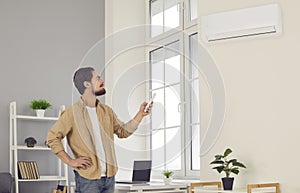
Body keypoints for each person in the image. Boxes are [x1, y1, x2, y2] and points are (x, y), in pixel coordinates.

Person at [46, 67, 151, 193]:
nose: (102, 80)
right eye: (98, 78)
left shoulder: (106, 111)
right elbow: (52, 138)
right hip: (87, 179)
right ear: (87, 84)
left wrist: (140, 114)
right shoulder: (71, 113)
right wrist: (70, 161)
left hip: (109, 177)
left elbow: (123, 131)